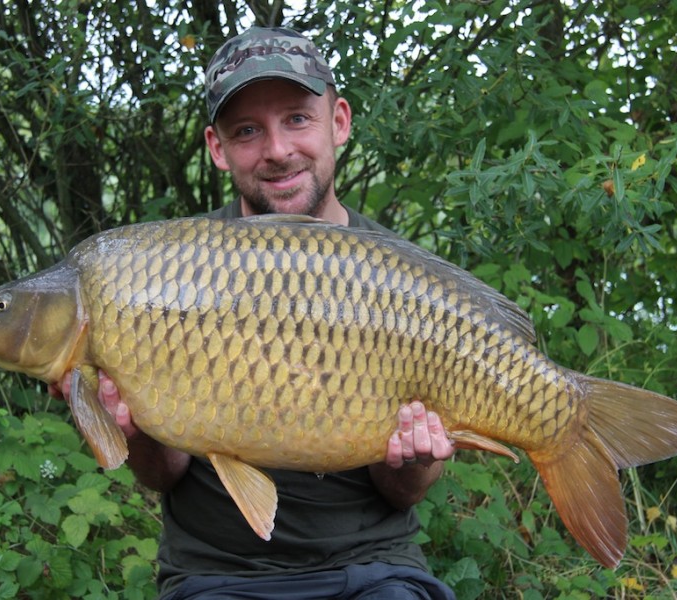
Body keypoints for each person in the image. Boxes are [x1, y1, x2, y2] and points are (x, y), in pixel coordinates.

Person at [56, 27, 458, 600]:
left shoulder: (404, 282)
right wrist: (136, 430)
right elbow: (161, 475)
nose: (276, 149)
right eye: (247, 130)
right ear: (217, 148)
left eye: (297, 118)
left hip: (370, 569)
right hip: (216, 574)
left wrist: (414, 458)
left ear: (338, 121)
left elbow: (404, 493)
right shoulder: (163, 273)